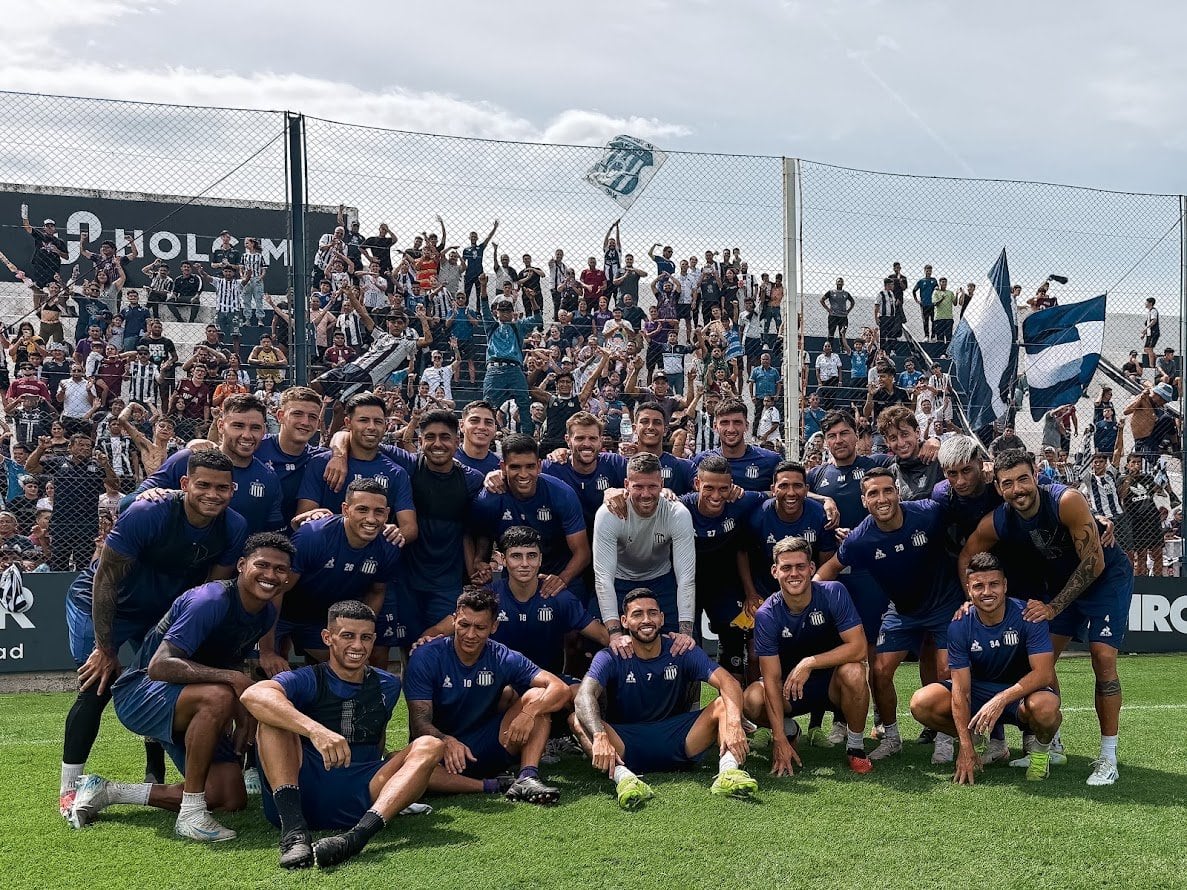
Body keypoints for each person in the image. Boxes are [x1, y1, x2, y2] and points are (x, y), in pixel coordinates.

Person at [59, 450, 247, 819]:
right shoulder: (149, 512)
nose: (213, 494)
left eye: (222, 487)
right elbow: (106, 580)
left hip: (159, 611)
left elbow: (212, 590)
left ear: (233, 490)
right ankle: (69, 788)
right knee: (97, 687)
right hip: (103, 603)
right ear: (184, 484)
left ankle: (152, 771)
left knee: (162, 685)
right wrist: (105, 646)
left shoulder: (233, 526)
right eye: (203, 485)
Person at [71, 534, 294, 841]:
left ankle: (107, 791)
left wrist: (244, 713)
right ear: (242, 565)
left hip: (191, 699)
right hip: (142, 692)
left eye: (280, 569)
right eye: (262, 565)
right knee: (219, 694)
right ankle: (190, 813)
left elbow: (225, 664)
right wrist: (236, 682)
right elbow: (159, 666)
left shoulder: (265, 612)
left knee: (229, 797)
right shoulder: (210, 600)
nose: (271, 575)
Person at [959, 449, 1135, 786]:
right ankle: (1050, 744)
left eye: (1023, 479)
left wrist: (1054, 607)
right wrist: (971, 596)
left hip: (1104, 580)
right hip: (1058, 585)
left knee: (1102, 658)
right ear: (998, 488)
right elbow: (969, 552)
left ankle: (1108, 757)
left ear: (1037, 475)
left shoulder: (1066, 501)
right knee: (1039, 662)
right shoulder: (1000, 519)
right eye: (1008, 483)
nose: (1017, 489)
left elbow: (1094, 564)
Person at [243, 599, 443, 869]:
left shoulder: (388, 684)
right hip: (303, 790)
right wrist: (316, 730)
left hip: (361, 794)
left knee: (430, 745)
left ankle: (355, 840)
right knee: (272, 721)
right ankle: (294, 834)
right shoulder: (309, 677)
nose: (358, 646)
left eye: (366, 637)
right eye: (347, 636)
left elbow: (378, 740)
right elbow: (252, 695)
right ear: (328, 638)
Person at [815, 468, 964, 762]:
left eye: (887, 491)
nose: (881, 499)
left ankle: (946, 739)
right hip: (903, 610)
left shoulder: (929, 513)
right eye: (873, 493)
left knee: (947, 670)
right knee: (880, 671)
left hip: (945, 605)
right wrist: (806, 596)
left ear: (897, 492)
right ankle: (892, 737)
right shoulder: (860, 538)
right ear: (863, 501)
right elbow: (828, 569)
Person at [571, 589, 757, 808]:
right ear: (625, 621)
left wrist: (735, 723)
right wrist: (600, 736)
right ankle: (624, 779)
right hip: (627, 743)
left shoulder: (682, 650)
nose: (646, 620)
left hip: (680, 738)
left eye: (652, 613)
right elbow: (584, 696)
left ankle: (728, 772)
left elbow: (729, 683)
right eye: (638, 614)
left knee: (722, 705)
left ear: (662, 618)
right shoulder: (610, 656)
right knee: (577, 719)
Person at [404, 588, 568, 804]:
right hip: (440, 752)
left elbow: (560, 688)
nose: (470, 635)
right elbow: (419, 723)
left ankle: (527, 777)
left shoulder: (502, 656)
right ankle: (493, 785)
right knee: (405, 766)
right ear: (453, 621)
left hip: (486, 742)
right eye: (464, 625)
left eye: (480, 627)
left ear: (494, 626)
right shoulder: (426, 656)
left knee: (537, 696)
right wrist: (446, 741)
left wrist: (529, 712)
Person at [910, 552, 1062, 784]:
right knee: (921, 702)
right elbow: (960, 690)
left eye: (994, 584)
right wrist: (964, 744)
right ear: (969, 590)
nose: (987, 592)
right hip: (979, 692)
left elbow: (1044, 673)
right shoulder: (960, 625)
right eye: (979, 586)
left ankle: (1040, 753)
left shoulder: (1029, 615)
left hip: (1020, 695)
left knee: (1047, 706)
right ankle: (975, 740)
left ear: (1005, 585)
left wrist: (1000, 699)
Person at [743, 536, 873, 775]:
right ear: (775, 571)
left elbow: (859, 648)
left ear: (811, 568)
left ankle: (855, 747)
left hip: (832, 686)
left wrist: (810, 662)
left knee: (854, 671)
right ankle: (789, 730)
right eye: (786, 567)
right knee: (752, 699)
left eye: (801, 566)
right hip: (790, 691)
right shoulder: (766, 614)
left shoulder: (834, 592)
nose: (794, 573)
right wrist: (779, 739)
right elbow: (771, 679)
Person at [268, 479, 403, 670]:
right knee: (266, 668)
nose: (371, 519)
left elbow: (376, 592)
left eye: (379, 512)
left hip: (323, 619)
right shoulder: (313, 536)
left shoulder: (389, 546)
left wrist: (357, 633)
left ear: (387, 514)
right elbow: (277, 590)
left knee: (345, 668)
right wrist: (267, 650)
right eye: (362, 510)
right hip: (284, 612)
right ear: (346, 509)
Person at [133, 393, 284, 534]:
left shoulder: (268, 477)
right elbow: (128, 503)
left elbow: (273, 534)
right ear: (220, 426)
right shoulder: (188, 459)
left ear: (264, 430)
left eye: (255, 428)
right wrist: (151, 497)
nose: (247, 435)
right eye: (238, 426)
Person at [470, 434, 590, 601]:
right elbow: (484, 534)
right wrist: (480, 561)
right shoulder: (488, 499)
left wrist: (562, 579)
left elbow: (582, 552)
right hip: (514, 577)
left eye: (530, 466)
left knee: (574, 620)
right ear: (503, 467)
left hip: (558, 573)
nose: (523, 474)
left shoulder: (562, 494)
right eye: (515, 467)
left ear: (539, 466)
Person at [678, 456, 766, 679]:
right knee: (685, 646)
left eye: (723, 489)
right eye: (709, 488)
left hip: (725, 584)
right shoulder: (678, 507)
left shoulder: (741, 501)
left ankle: (733, 706)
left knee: (734, 638)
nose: (716, 496)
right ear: (697, 484)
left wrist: (825, 500)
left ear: (732, 486)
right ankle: (690, 710)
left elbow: (779, 494)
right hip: (686, 585)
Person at [593, 453, 697, 640]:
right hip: (619, 581)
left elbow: (686, 578)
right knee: (594, 641)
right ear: (626, 485)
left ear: (662, 485)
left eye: (652, 486)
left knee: (684, 645)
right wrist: (615, 633)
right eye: (638, 487)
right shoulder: (609, 513)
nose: (646, 494)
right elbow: (603, 579)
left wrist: (686, 633)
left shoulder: (677, 513)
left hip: (661, 580)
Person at [692, 398, 782, 493]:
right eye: (725, 423)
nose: (731, 429)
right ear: (715, 427)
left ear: (746, 426)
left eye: (737, 422)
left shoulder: (770, 461)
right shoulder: (702, 460)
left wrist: (756, 496)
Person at [483, 298, 541, 437]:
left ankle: (527, 436)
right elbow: (484, 309)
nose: (504, 314)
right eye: (501, 311)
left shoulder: (518, 326)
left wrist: (532, 300)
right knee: (487, 404)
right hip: (495, 368)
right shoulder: (492, 326)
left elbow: (537, 319)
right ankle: (489, 435)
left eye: (507, 311)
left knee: (524, 401)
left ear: (512, 313)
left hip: (514, 368)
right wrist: (483, 288)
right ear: (497, 312)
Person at [820, 277, 853, 353]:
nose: (840, 283)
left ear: (843, 283)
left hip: (843, 316)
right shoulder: (831, 292)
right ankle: (829, 348)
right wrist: (828, 309)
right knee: (831, 333)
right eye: (838, 281)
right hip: (833, 316)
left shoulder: (846, 293)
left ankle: (843, 348)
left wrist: (848, 310)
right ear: (836, 283)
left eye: (841, 281)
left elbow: (852, 302)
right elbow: (822, 300)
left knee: (842, 332)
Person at [912, 265, 938, 340]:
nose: (929, 272)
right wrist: (917, 300)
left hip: (933, 304)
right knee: (925, 321)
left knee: (933, 321)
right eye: (927, 270)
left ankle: (933, 336)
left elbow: (937, 289)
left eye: (930, 270)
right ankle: (926, 336)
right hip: (924, 304)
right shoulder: (921, 281)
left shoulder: (934, 280)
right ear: (924, 271)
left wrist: (937, 288)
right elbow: (914, 290)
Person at [1141, 297, 1160, 370]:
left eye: (1146, 302)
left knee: (1149, 349)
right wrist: (1144, 333)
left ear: (1150, 303)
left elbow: (1154, 321)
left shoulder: (1153, 311)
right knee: (1146, 349)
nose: (1145, 304)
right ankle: (1158, 360)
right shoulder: (1149, 312)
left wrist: (1145, 329)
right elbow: (1148, 324)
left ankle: (1152, 366)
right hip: (1149, 334)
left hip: (1153, 333)